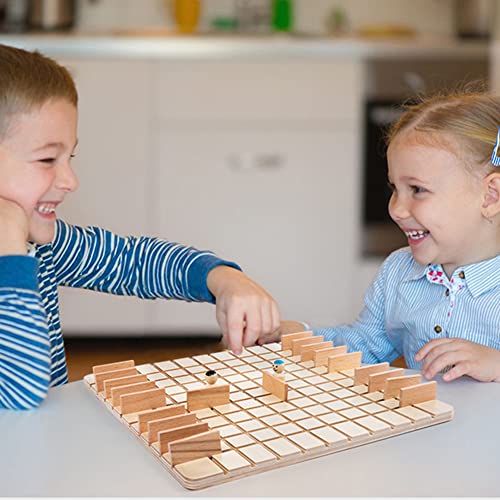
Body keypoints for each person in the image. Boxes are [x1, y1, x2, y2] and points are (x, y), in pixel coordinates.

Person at [0, 44, 280, 410]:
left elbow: (132, 260)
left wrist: (222, 278)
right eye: (48, 159)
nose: (70, 180)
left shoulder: (41, 245)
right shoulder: (15, 244)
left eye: (70, 157)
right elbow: (21, 393)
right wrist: (7, 245)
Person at [268, 89, 500, 383]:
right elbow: (364, 345)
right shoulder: (398, 272)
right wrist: (297, 338)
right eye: (395, 189)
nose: (397, 209)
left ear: (490, 196)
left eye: (417, 190)